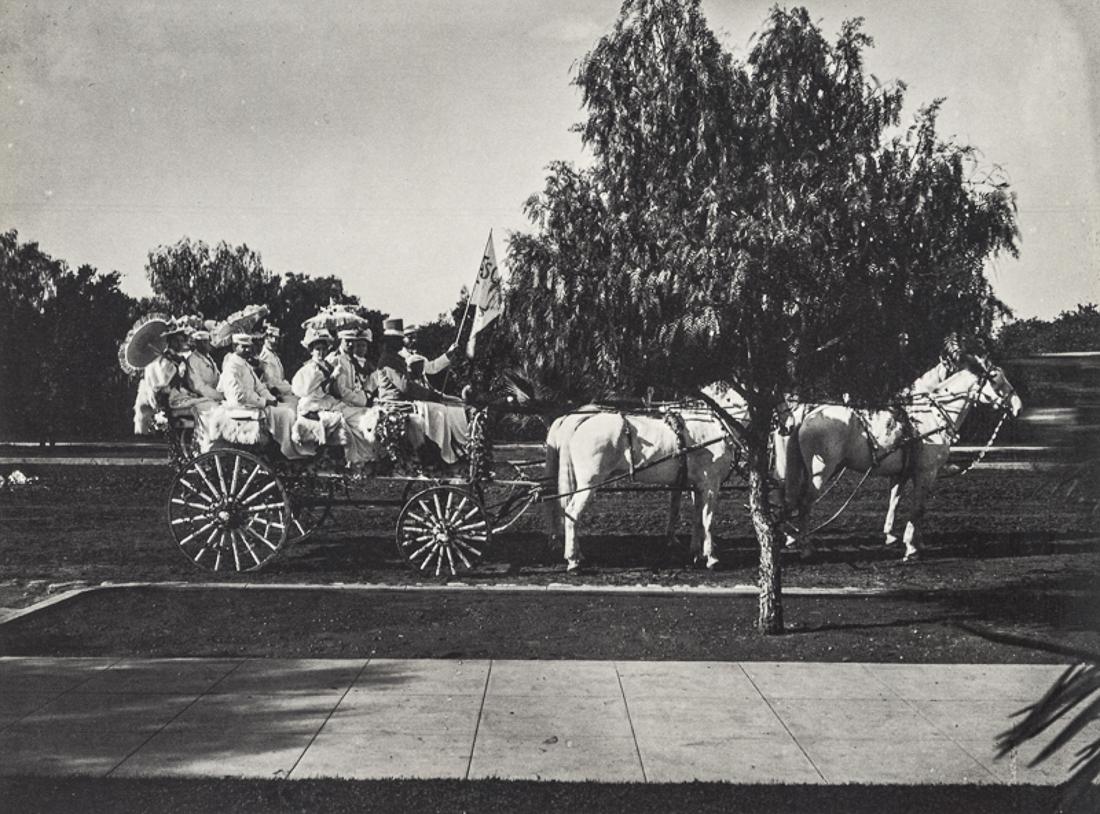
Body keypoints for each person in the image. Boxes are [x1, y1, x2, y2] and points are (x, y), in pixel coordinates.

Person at [218, 332, 306, 459]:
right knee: (287, 413)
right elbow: (239, 396)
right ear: (234, 347)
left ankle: (294, 445)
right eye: (243, 347)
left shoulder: (244, 364)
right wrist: (264, 402)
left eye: (249, 347)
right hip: (241, 406)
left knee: (290, 407)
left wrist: (272, 399)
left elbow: (259, 387)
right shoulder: (231, 367)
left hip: (252, 403)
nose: (248, 350)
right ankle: (286, 449)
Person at [133, 320, 213, 434]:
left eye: (182, 340)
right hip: (167, 398)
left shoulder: (176, 358)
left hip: (178, 394)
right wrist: (176, 370)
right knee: (204, 405)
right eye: (178, 341)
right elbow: (164, 385)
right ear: (171, 342)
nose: (181, 343)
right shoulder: (162, 361)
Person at [328, 328, 371, 408]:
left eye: (353, 341)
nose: (350, 344)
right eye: (347, 341)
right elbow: (341, 391)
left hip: (352, 402)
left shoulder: (351, 358)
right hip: (339, 404)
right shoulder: (335, 359)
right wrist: (361, 401)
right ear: (340, 341)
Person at [257, 325, 296, 406]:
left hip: (282, 389)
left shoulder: (273, 354)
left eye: (276, 339)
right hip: (274, 394)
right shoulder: (265, 356)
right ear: (265, 339)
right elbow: (271, 383)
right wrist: (291, 389)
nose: (274, 341)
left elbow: (280, 378)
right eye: (270, 338)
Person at [183, 329, 224, 402]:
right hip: (202, 399)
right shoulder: (192, 360)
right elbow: (198, 386)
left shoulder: (209, 357)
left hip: (215, 396)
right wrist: (219, 396)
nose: (211, 345)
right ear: (202, 343)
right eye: (209, 342)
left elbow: (218, 377)